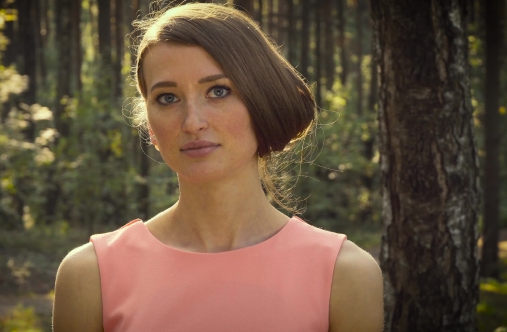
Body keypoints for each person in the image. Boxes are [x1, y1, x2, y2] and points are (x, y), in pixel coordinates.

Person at [52, 3, 383, 332]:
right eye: (168, 98)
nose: (193, 122)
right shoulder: (89, 275)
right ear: (150, 126)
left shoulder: (345, 275)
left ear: (261, 103)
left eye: (218, 91)